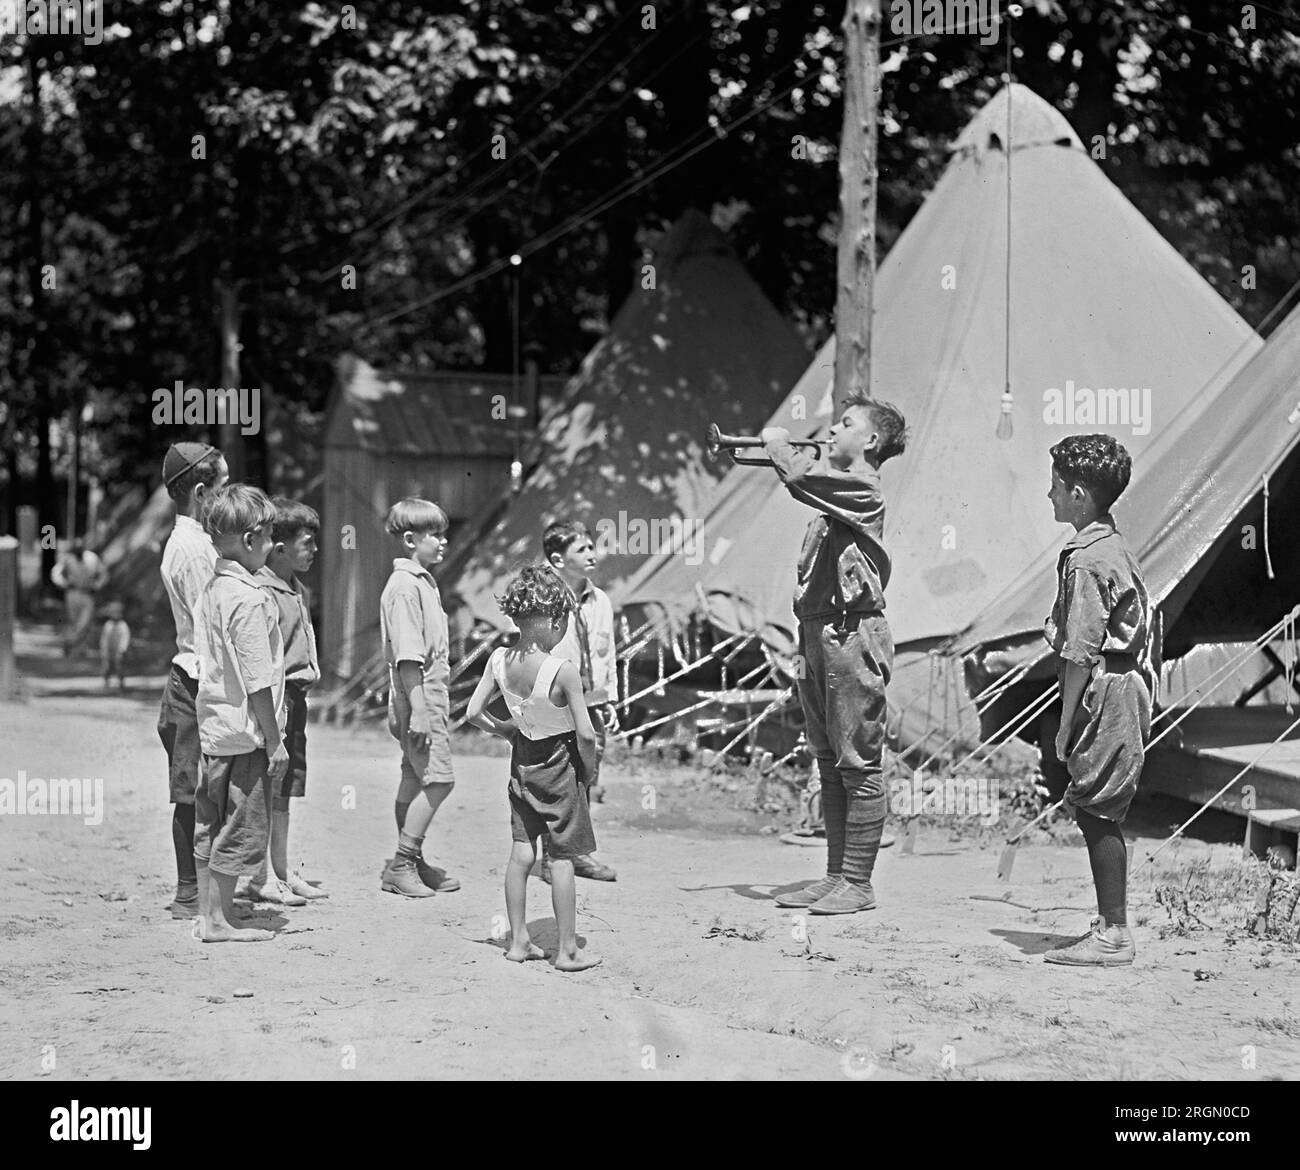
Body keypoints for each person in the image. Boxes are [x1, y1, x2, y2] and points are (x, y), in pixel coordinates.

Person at [763, 393, 908, 915]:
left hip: (851, 637)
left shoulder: (863, 490)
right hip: (819, 636)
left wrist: (779, 447)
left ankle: (859, 883)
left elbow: (801, 479)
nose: (830, 431)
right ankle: (835, 876)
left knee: (858, 761)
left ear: (870, 441)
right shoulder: (834, 500)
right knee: (828, 760)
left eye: (844, 424)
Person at [1042, 434, 1153, 967]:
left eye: (1057, 487)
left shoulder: (1086, 561)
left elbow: (1080, 655)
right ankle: (1111, 924)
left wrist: (1065, 726)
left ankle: (1114, 934)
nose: (1050, 497)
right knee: (1096, 806)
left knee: (1095, 808)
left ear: (1080, 494)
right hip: (1122, 685)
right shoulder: (1109, 543)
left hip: (1104, 690)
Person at [466, 565, 601, 971]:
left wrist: (506, 730)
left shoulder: (498, 661)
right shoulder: (563, 671)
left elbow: (473, 713)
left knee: (521, 851)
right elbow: (587, 735)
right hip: (560, 764)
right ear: (556, 622)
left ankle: (519, 940)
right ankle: (567, 950)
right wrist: (589, 770)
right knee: (561, 857)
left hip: (522, 760)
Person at [192, 484, 288, 943]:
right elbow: (258, 681)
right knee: (240, 824)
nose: (272, 546)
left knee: (210, 820)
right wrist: (276, 740)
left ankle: (212, 911)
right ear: (250, 540)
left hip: (213, 727)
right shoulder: (249, 599)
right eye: (269, 537)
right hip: (246, 733)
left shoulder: (214, 588)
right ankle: (217, 920)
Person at [157, 442, 228, 918]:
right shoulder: (193, 548)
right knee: (192, 790)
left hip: (196, 676)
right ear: (201, 493)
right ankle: (189, 892)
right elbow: (212, 621)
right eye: (223, 489)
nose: (227, 498)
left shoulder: (196, 541)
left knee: (205, 788)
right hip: (195, 679)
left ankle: (206, 887)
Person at [379, 498, 460, 897]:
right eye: (435, 535)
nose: (443, 542)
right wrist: (420, 711)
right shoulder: (406, 588)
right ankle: (403, 862)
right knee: (440, 780)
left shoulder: (422, 582)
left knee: (414, 777)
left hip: (424, 697)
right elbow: (408, 658)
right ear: (410, 539)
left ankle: (413, 859)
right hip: (418, 697)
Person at [248, 498, 326, 904]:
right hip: (276, 699)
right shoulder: (262, 592)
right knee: (267, 784)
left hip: (297, 698)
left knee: (286, 789)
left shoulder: (298, 590)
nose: (315, 551)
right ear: (279, 550)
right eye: (307, 543)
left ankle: (281, 869)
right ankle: (259, 875)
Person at [537, 520, 618, 883]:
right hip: (554, 702)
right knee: (554, 778)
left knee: (587, 774)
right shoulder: (542, 600)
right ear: (557, 558)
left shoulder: (600, 601)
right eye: (582, 549)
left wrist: (608, 699)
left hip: (591, 702)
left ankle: (575, 853)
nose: (592, 554)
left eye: (592, 547)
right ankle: (549, 858)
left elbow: (606, 654)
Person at [51, 540, 107, 657]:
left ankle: (69, 642)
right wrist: (64, 583)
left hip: (87, 594)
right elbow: (55, 573)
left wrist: (96, 586)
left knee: (84, 622)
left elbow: (103, 574)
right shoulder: (68, 559)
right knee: (74, 621)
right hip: (72, 593)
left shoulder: (92, 558)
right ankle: (80, 649)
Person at [98, 600, 131, 689]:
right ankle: (106, 682)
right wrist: (103, 648)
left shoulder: (123, 625)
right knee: (106, 666)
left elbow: (125, 638)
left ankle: (121, 683)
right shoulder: (108, 625)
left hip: (119, 650)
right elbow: (104, 638)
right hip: (109, 649)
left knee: (119, 666)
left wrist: (122, 649)